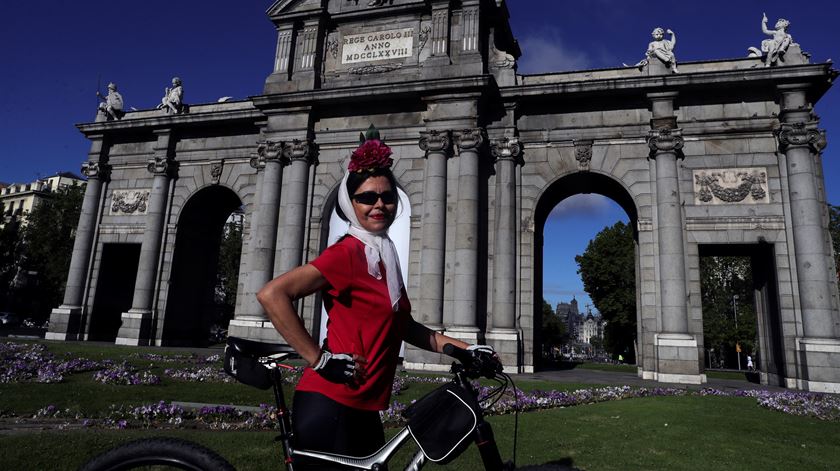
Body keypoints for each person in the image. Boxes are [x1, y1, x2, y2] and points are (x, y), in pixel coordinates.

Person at [257, 126, 497, 464]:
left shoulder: (384, 255)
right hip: (330, 402)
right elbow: (272, 295)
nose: (379, 204)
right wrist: (319, 359)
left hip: (364, 406)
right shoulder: (349, 254)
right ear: (350, 202)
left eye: (387, 196)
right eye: (367, 197)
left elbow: (406, 327)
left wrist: (464, 350)